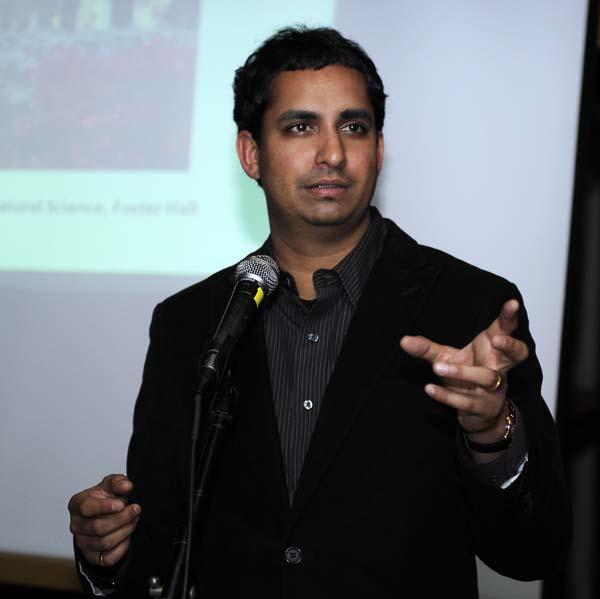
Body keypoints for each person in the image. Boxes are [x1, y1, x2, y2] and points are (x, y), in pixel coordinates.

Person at [68, 26, 569, 598]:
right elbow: (158, 555)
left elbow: (536, 550)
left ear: (379, 150)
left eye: (353, 127)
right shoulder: (189, 323)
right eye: (301, 126)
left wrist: (491, 434)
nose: (333, 153)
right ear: (251, 154)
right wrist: (102, 558)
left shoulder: (470, 308)